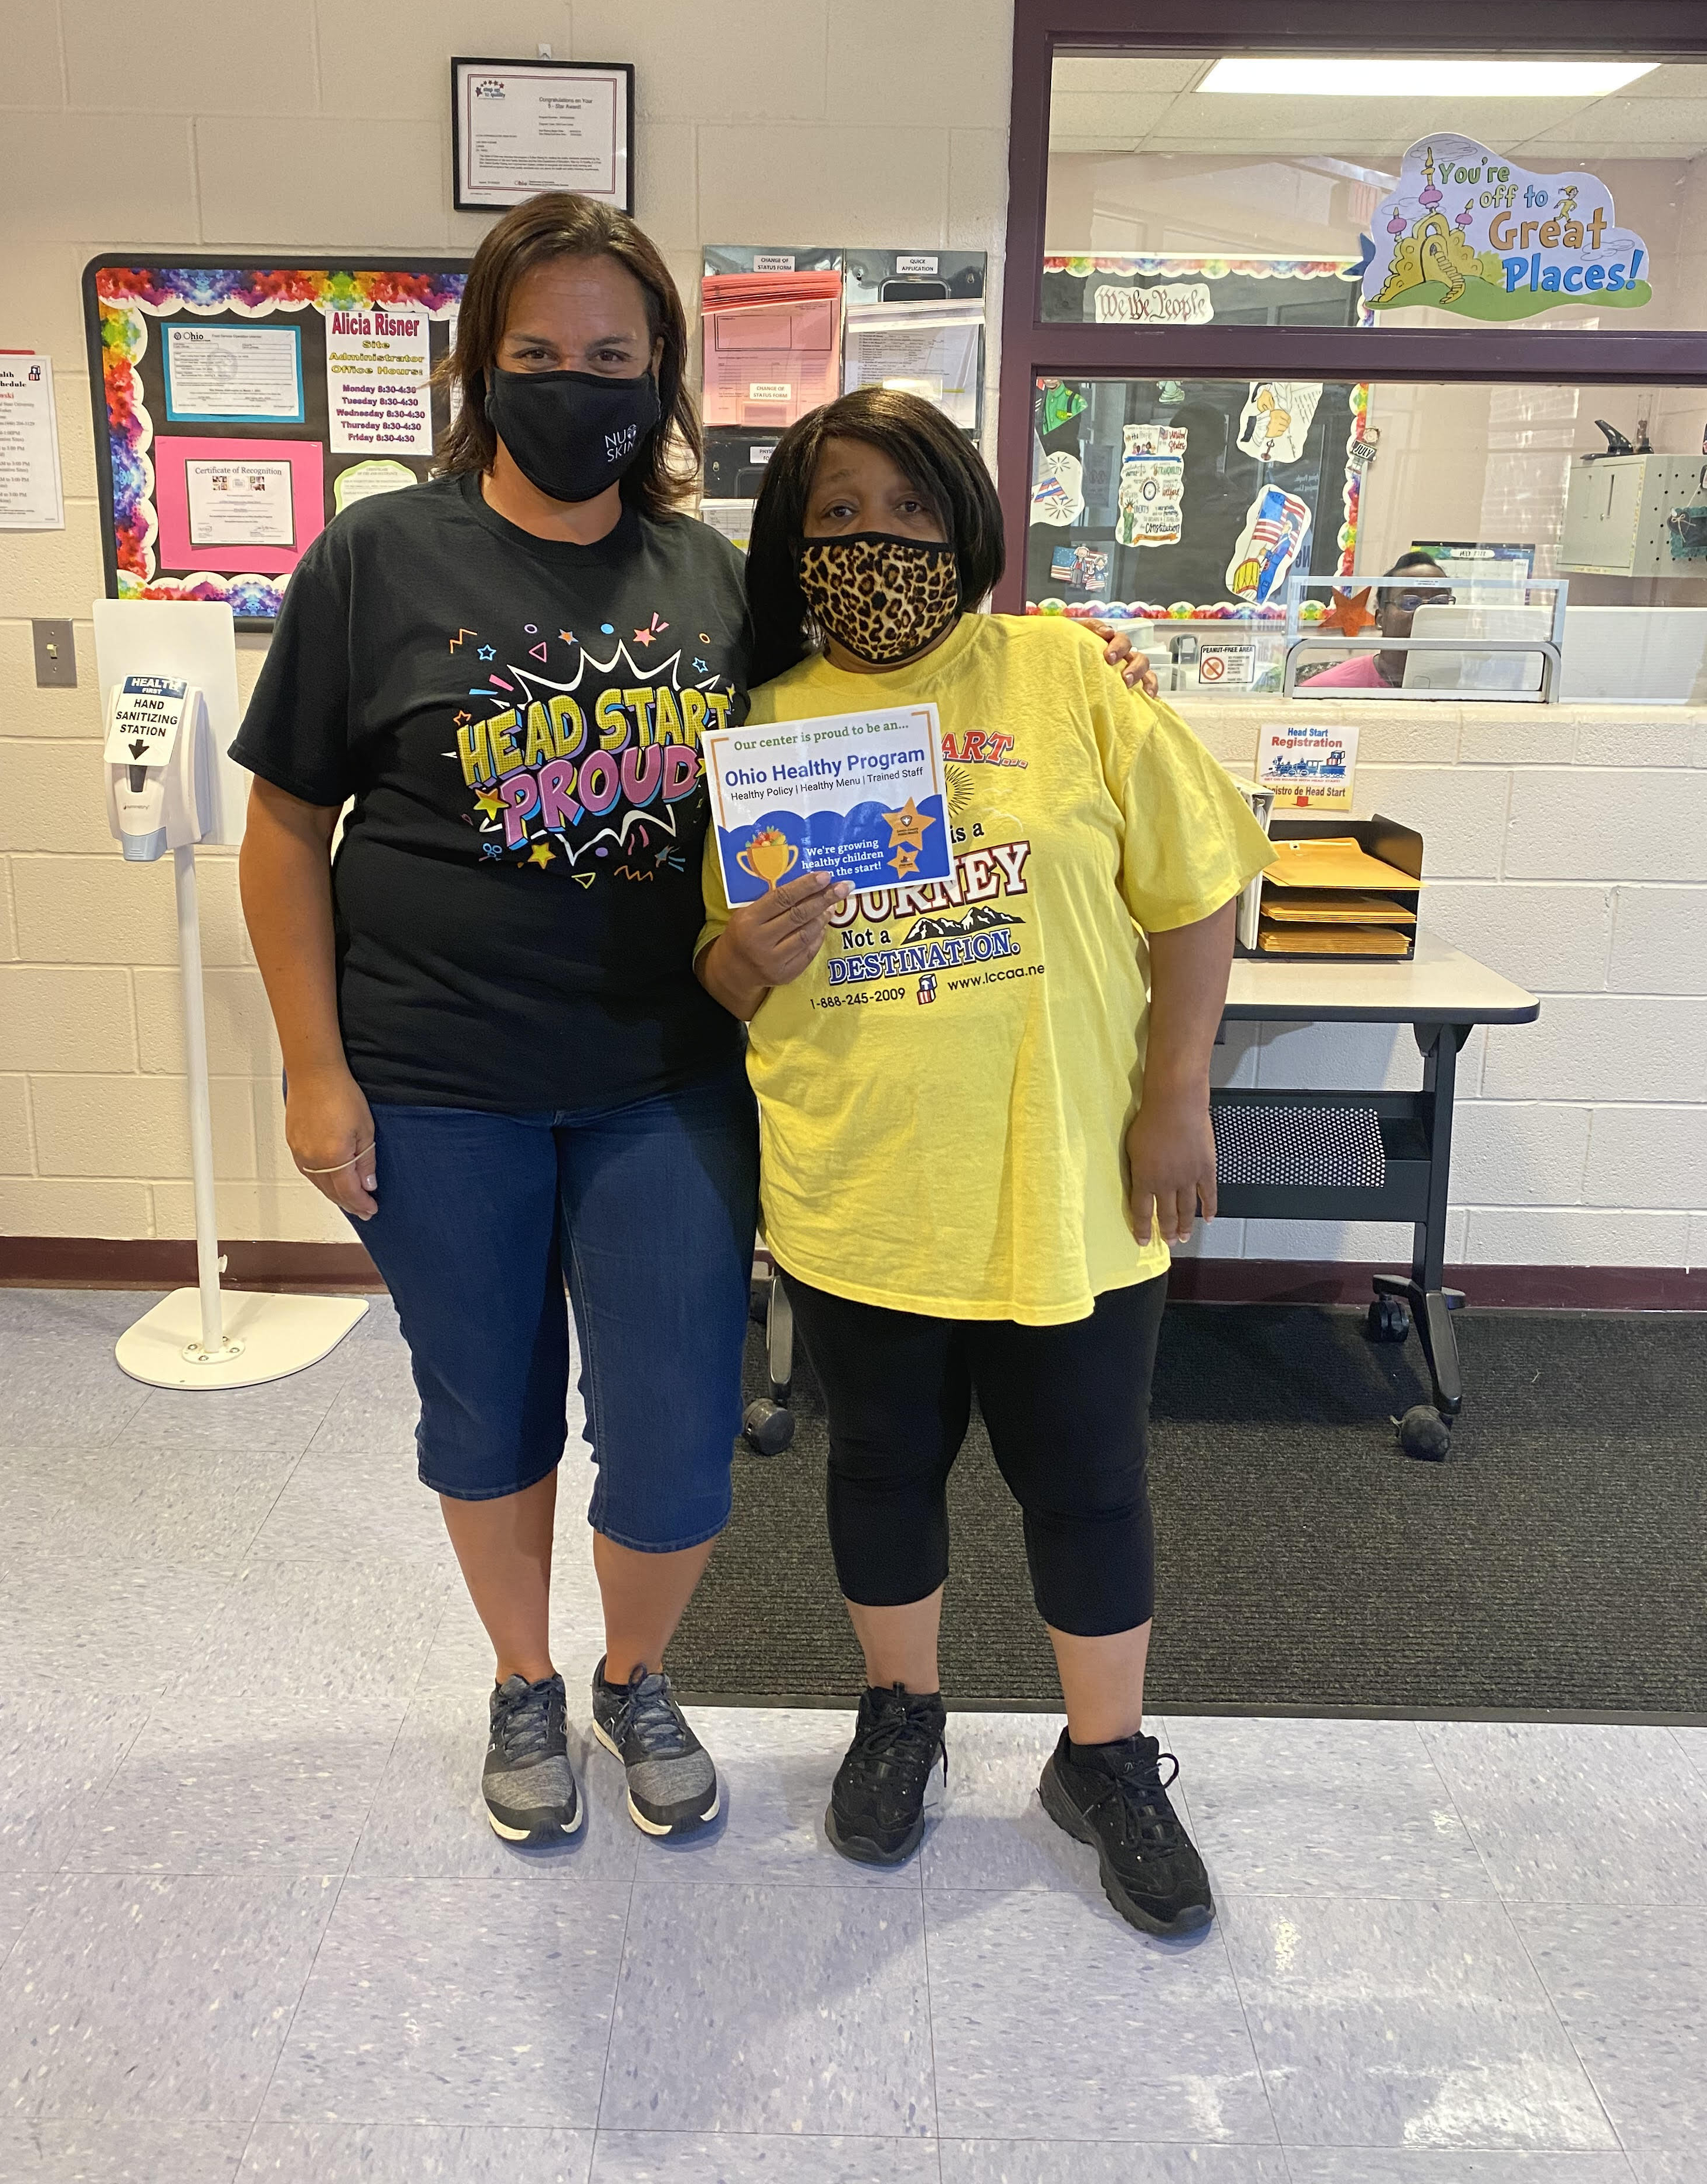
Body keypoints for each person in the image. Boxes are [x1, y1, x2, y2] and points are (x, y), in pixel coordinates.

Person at [231, 197, 1157, 1855]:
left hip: (672, 1077)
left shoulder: (716, 578)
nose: (574, 385)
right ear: (479, 367)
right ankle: (525, 1676)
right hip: (440, 1083)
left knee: (671, 1437)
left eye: (611, 356)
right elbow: (288, 827)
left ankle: (636, 1671)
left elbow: (885, 680)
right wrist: (314, 1067)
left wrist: (1073, 660)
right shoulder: (378, 557)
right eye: (538, 357)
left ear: (660, 379)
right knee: (485, 1408)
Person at [695, 388, 1275, 1936]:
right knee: (884, 1470)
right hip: (862, 1184)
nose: (874, 542)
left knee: (1086, 1485)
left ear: (963, 518)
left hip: (1072, 1188)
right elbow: (724, 971)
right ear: (792, 544)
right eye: (837, 517)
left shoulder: (1067, 673)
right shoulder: (767, 722)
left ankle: (1106, 1759)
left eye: (907, 509)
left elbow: (1197, 887)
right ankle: (905, 1715)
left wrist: (1179, 1093)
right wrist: (739, 951)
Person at [1301, 549, 1452, 688]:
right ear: (1380, 618)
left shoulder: (1463, 685)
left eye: (1439, 602)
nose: (1424, 612)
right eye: (1410, 602)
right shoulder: (1328, 687)